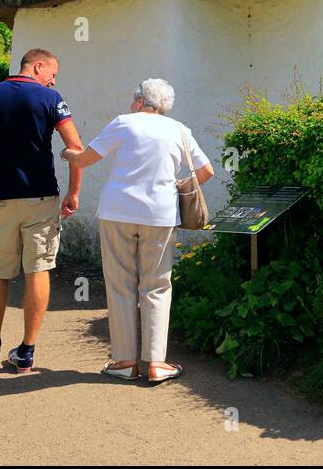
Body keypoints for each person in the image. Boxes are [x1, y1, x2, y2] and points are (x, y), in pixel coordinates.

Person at [61, 78, 213, 383]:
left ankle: (125, 362)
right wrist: (174, 187)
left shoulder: (124, 123)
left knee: (120, 285)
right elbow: (206, 171)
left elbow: (86, 159)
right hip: (160, 214)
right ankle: (156, 363)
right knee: (157, 285)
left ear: (141, 100)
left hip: (118, 211)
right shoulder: (180, 130)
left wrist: (68, 155)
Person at [0, 48, 83, 373]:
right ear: (38, 66)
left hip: (2, 198)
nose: (53, 81)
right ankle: (27, 352)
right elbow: (75, 148)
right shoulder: (51, 99)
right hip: (41, 196)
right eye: (52, 74)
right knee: (38, 269)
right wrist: (73, 192)